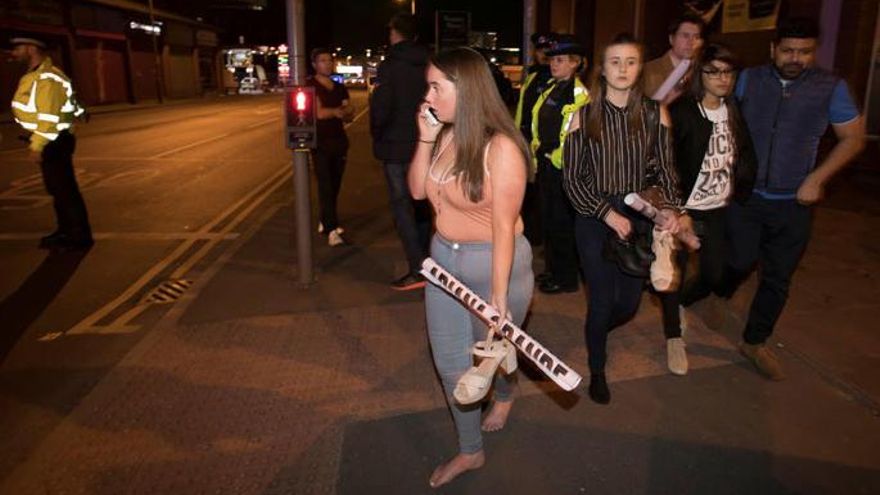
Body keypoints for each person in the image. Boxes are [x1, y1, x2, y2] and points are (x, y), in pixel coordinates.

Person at [408, 47, 534, 488]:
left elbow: (503, 227)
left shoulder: (501, 148)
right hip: (443, 261)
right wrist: (424, 138)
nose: (427, 95)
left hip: (495, 264)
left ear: (465, 90)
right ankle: (470, 451)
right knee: (450, 366)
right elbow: (419, 193)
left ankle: (505, 392)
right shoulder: (442, 134)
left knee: (489, 355)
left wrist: (498, 297)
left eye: (436, 87)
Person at [725, 17, 865, 380]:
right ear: (773, 50)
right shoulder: (749, 79)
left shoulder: (830, 87)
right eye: (787, 50)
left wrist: (817, 179)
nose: (795, 58)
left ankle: (755, 340)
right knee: (738, 260)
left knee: (778, 276)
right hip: (746, 195)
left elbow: (853, 138)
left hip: (793, 201)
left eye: (804, 52)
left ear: (813, 52)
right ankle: (718, 290)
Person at [563, 34, 682, 404]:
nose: (623, 69)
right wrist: (607, 213)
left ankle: (595, 331)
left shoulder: (654, 112)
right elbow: (571, 179)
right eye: (615, 61)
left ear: (640, 68)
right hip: (594, 216)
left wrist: (671, 210)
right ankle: (597, 367)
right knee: (600, 300)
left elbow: (666, 170)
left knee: (628, 303)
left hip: (639, 215)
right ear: (603, 67)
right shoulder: (583, 116)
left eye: (630, 61)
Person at [658, 43, 758, 375]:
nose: (721, 79)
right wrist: (674, 208)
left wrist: (744, 185)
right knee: (673, 276)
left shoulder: (734, 110)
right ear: (700, 75)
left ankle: (684, 303)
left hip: (717, 209)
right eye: (713, 71)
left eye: (727, 72)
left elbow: (743, 151)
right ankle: (673, 337)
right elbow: (665, 163)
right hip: (683, 210)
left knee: (716, 273)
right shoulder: (684, 112)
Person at [9, 37, 92, 251]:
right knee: (58, 190)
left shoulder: (47, 78)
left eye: (18, 48)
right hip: (53, 139)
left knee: (64, 190)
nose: (14, 53)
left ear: (31, 48)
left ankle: (78, 237)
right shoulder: (38, 75)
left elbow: (49, 117)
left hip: (53, 140)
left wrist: (37, 145)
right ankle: (65, 230)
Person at [370, 13, 432, 290]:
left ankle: (417, 269)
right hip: (425, 143)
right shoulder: (430, 63)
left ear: (395, 33)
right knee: (422, 204)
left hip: (395, 146)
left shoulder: (391, 66)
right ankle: (428, 262)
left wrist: (378, 134)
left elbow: (381, 107)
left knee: (402, 207)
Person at [531, 35, 590, 294]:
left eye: (561, 60)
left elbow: (576, 136)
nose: (554, 64)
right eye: (553, 59)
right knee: (550, 222)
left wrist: (556, 157)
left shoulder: (579, 94)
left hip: (563, 169)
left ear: (575, 63)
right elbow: (538, 122)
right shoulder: (552, 87)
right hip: (546, 165)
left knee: (562, 224)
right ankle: (553, 271)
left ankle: (566, 279)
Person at [309, 47, 353, 247]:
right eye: (322, 60)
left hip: (339, 142)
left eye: (329, 60)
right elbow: (318, 113)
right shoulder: (310, 87)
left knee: (334, 186)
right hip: (320, 143)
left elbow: (349, 110)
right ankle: (331, 229)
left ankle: (325, 219)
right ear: (314, 64)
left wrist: (343, 111)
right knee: (325, 185)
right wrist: (338, 111)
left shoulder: (339, 86)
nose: (327, 64)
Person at [515, 32, 556, 246]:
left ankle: (538, 238)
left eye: (548, 49)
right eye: (539, 50)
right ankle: (529, 234)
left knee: (542, 197)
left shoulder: (556, 79)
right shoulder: (532, 76)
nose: (543, 54)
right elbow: (523, 110)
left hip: (543, 148)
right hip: (524, 143)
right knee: (527, 193)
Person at [642, 13, 705, 106]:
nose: (691, 42)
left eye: (696, 37)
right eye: (685, 36)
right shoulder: (648, 70)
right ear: (671, 39)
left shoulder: (703, 71)